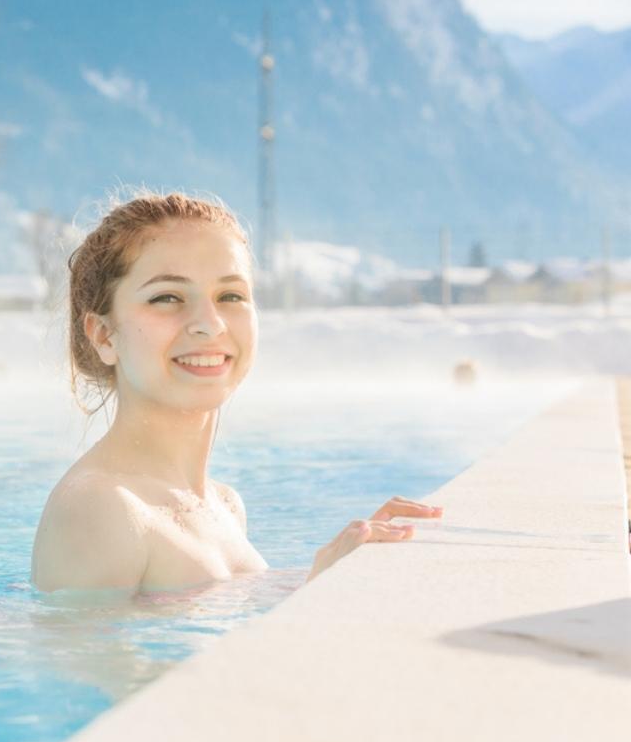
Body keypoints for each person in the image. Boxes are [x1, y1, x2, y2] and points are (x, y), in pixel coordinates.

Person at [30, 191, 442, 594]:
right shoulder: (102, 507)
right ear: (103, 335)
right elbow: (79, 658)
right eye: (167, 297)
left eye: (230, 296)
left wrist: (352, 553)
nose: (210, 324)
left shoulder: (224, 505)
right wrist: (313, 595)